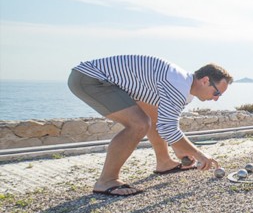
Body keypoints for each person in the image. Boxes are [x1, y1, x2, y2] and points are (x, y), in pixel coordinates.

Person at [68, 55, 233, 196]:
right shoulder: (177, 86)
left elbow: (164, 121)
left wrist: (180, 148)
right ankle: (106, 180)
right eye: (216, 92)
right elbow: (168, 128)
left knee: (153, 114)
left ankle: (164, 162)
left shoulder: (182, 84)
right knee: (139, 124)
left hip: (103, 80)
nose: (216, 98)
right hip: (91, 79)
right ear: (205, 81)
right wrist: (199, 154)